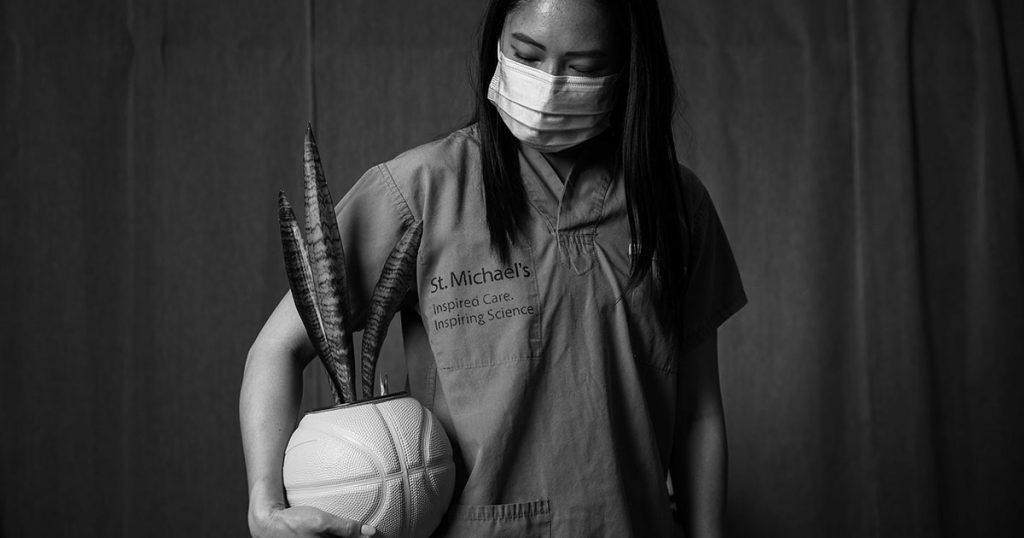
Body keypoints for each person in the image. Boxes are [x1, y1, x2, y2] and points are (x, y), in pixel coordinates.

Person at [240, 0, 747, 536]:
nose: (550, 86)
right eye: (527, 55)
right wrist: (264, 504)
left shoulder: (676, 205)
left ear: (628, 67)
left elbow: (698, 415)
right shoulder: (425, 189)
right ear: (497, 45)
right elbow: (278, 346)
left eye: (583, 68)